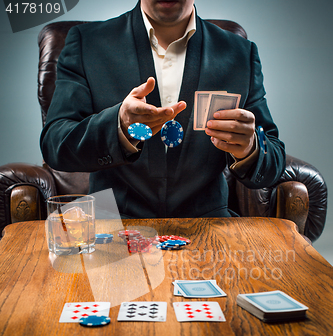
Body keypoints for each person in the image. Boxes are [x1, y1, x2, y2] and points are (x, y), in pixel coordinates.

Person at [40, 0, 285, 218]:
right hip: (113, 227)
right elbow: (56, 144)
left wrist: (251, 148)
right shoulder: (87, 43)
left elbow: (273, 157)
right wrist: (118, 126)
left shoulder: (240, 53)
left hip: (209, 227)